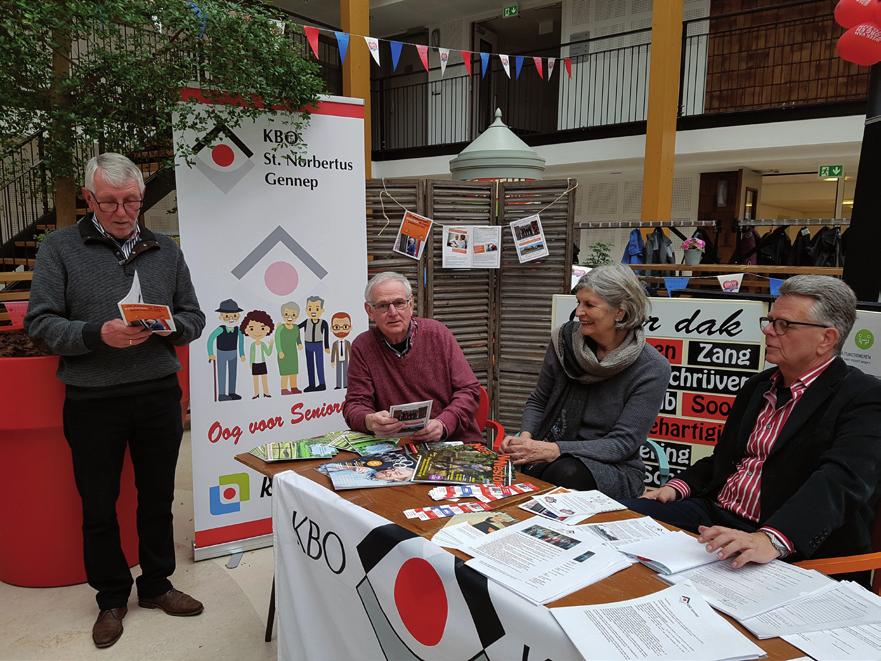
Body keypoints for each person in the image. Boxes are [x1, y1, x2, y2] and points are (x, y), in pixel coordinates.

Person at [25, 153, 206, 649]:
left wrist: (170, 327)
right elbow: (39, 323)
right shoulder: (59, 247)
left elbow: (195, 316)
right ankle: (110, 597)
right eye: (110, 202)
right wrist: (95, 332)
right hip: (92, 399)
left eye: (132, 201)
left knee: (158, 497)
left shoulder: (164, 248)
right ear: (90, 199)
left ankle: (156, 585)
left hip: (157, 394)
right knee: (99, 504)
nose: (123, 212)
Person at [622, 275, 881, 570]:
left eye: (784, 324)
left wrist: (771, 539)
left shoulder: (864, 397)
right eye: (770, 321)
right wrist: (677, 487)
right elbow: (724, 460)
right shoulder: (758, 386)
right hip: (715, 516)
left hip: (787, 541)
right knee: (620, 520)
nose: (769, 331)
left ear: (827, 338)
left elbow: (841, 482)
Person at [501, 263, 670, 499]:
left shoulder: (651, 368)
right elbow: (539, 400)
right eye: (578, 302)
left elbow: (621, 444)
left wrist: (555, 450)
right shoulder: (564, 342)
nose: (579, 312)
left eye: (589, 305)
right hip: (550, 452)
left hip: (611, 467)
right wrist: (526, 439)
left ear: (620, 312)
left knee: (565, 472)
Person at [343, 271, 482, 442]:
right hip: (398, 447)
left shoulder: (438, 334)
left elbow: (470, 390)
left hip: (452, 440)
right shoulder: (363, 346)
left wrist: (443, 423)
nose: (393, 312)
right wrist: (369, 421)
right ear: (370, 311)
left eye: (399, 303)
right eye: (383, 306)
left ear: (411, 304)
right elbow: (354, 405)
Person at [206, 299, 246, 401]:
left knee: (233, 373)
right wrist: (211, 353)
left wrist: (242, 354)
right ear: (221, 316)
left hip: (234, 353)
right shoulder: (220, 329)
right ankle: (222, 394)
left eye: (234, 315)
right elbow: (210, 339)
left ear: (238, 316)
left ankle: (232, 392)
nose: (231, 319)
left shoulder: (238, 330)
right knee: (222, 372)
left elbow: (241, 342)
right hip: (221, 353)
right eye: (227, 316)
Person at [298, 295, 330, 392]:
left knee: (319, 364)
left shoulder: (323, 322)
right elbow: (296, 328)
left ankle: (322, 384)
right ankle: (311, 384)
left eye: (316, 308)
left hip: (318, 345)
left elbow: (326, 335)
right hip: (308, 345)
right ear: (306, 309)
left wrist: (326, 346)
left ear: (322, 310)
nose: (313, 311)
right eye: (310, 308)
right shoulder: (306, 322)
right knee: (310, 365)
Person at [241, 309, 274, 399]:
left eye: (262, 328)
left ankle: (266, 392)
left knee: (264, 378)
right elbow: (251, 355)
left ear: (267, 329)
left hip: (262, 363)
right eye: (252, 328)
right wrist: (251, 363)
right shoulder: (252, 345)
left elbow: (268, 353)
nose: (257, 332)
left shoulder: (263, 344)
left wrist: (271, 346)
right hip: (255, 364)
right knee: (255, 379)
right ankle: (256, 393)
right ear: (247, 330)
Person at [275, 301, 303, 395]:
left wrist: (299, 344)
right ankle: (284, 389)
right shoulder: (281, 328)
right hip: (283, 353)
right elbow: (277, 339)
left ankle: (294, 387)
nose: (290, 317)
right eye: (286, 314)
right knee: (285, 372)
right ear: (283, 315)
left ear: (297, 316)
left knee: (294, 371)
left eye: (293, 315)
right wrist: (280, 351)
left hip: (293, 353)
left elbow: (298, 338)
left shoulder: (296, 327)